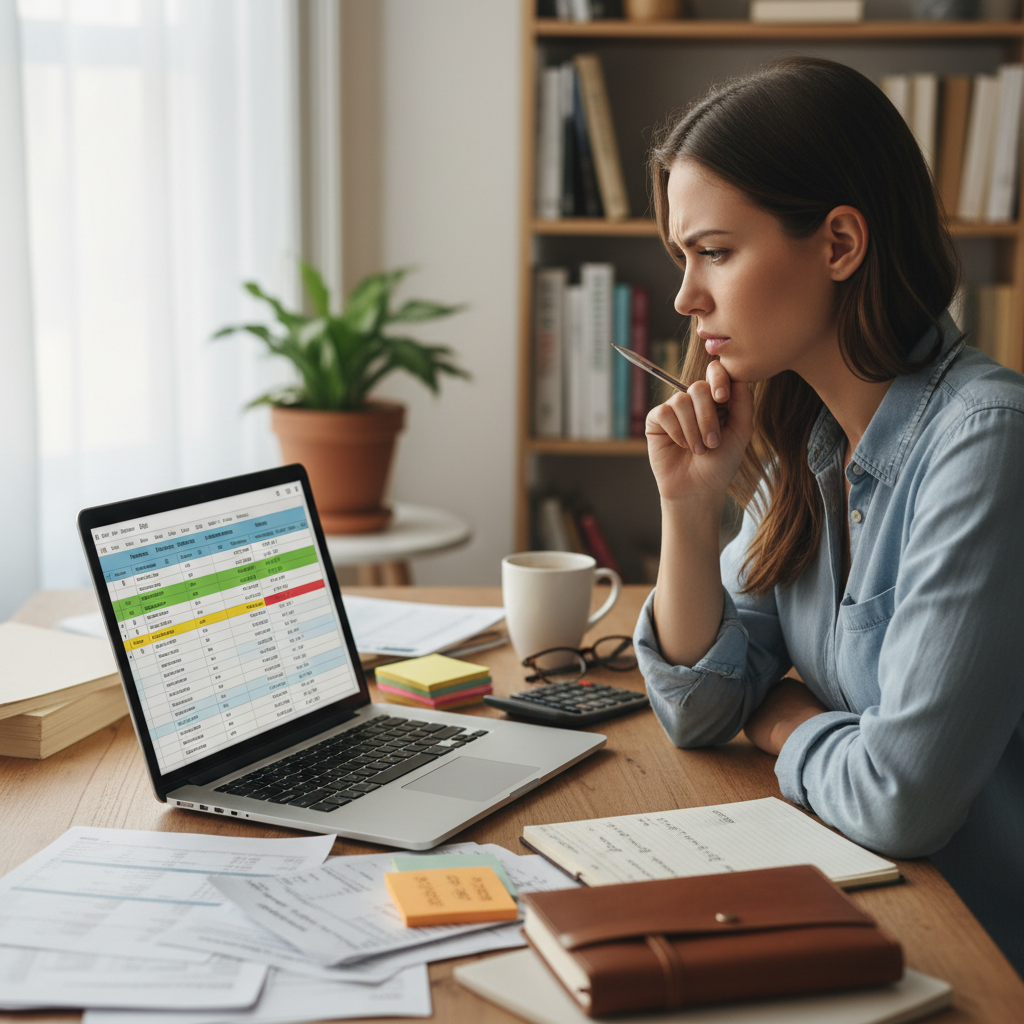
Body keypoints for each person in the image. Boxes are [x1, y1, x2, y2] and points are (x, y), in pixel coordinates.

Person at [633, 55, 1024, 978]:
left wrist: (781, 724)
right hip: (869, 903)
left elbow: (900, 801)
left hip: (979, 946)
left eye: (715, 252)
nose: (688, 298)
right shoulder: (807, 433)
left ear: (840, 244)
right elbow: (703, 706)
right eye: (682, 258)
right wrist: (687, 514)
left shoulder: (986, 442)